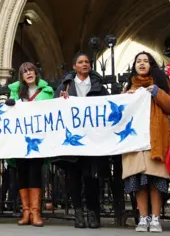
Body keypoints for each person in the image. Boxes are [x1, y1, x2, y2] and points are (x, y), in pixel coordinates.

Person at [54, 52, 109, 229]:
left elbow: (108, 105)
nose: (85, 64)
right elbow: (54, 109)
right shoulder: (66, 85)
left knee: (91, 177)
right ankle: (78, 212)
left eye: (87, 62)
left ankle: (93, 213)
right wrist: (61, 101)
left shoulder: (99, 86)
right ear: (74, 66)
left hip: (93, 140)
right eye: (80, 62)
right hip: (72, 141)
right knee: (73, 177)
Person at [122, 52, 170, 233]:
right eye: (139, 61)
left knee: (155, 180)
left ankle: (155, 219)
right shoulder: (128, 87)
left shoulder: (159, 85)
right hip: (135, 142)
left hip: (155, 140)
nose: (142, 63)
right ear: (134, 66)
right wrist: (127, 98)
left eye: (146, 61)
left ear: (151, 65)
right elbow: (118, 113)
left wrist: (156, 92)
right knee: (138, 181)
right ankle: (143, 218)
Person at [6, 62, 54, 227]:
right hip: (19, 140)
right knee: (22, 173)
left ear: (36, 73)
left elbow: (54, 111)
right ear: (21, 76)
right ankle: (25, 211)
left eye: (31, 70)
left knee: (34, 173)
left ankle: (35, 212)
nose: (29, 73)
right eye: (25, 71)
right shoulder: (15, 92)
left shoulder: (47, 93)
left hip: (37, 141)